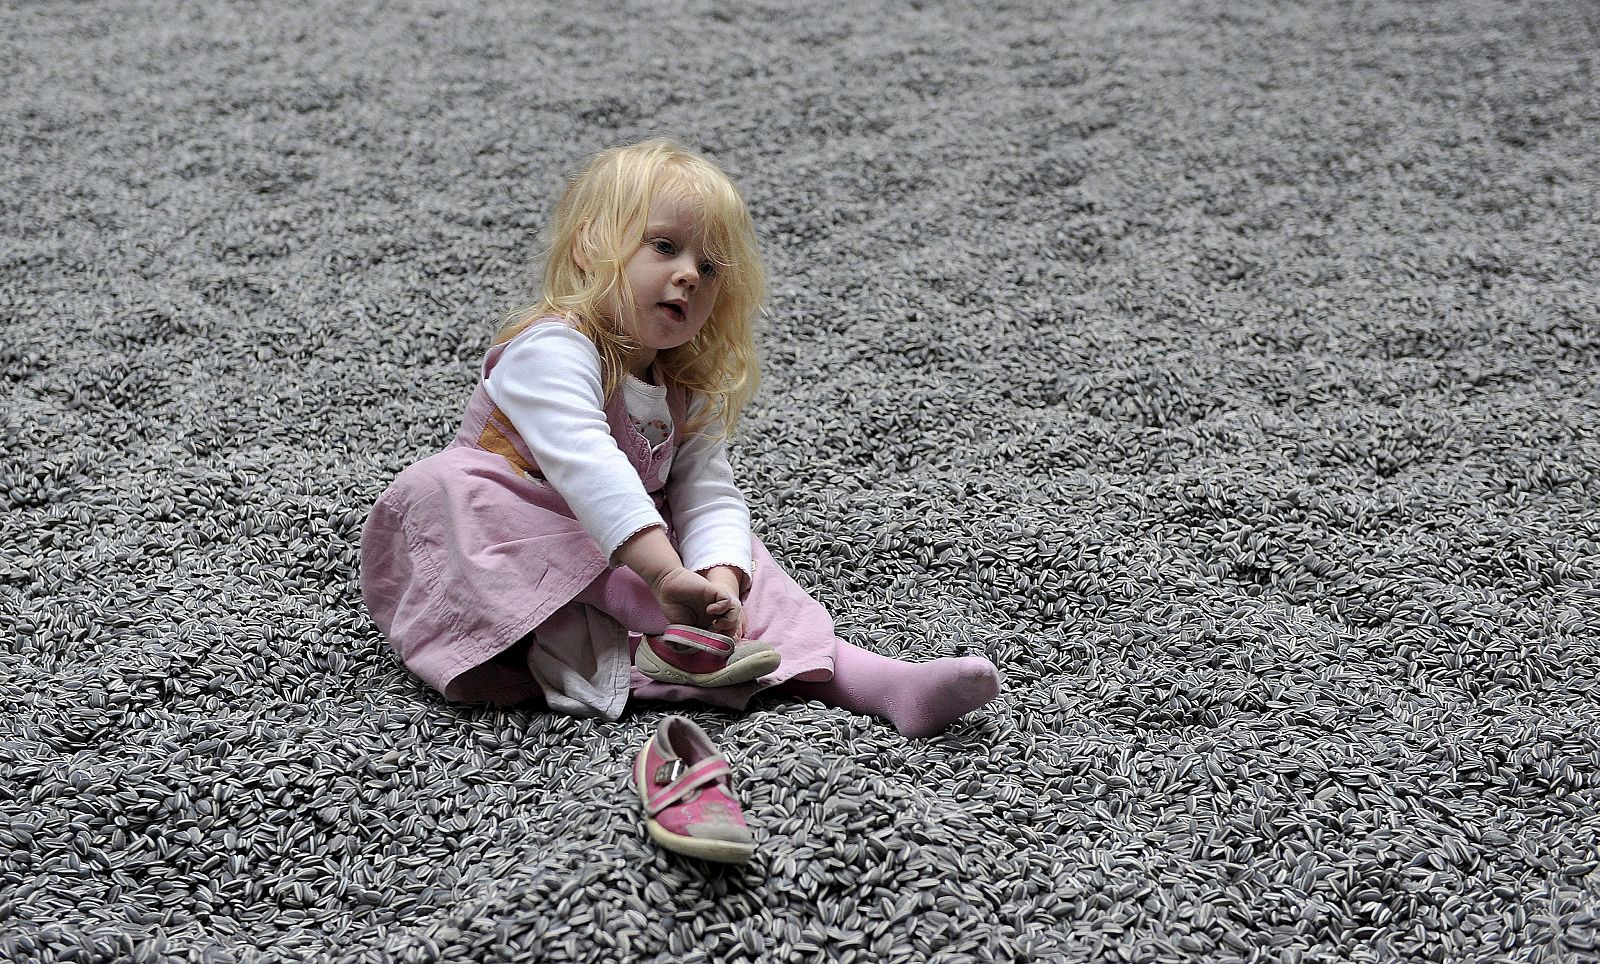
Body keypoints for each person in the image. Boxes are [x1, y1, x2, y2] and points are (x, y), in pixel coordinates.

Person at [360, 138, 1001, 862]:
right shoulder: (553, 347)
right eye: (664, 246)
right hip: (507, 554)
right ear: (588, 250)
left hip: (628, 560)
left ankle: (872, 680)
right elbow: (587, 463)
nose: (689, 276)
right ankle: (660, 641)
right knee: (448, 490)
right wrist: (665, 578)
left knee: (741, 551)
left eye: (708, 267)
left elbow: (707, 491)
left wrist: (720, 576)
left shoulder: (678, 390)